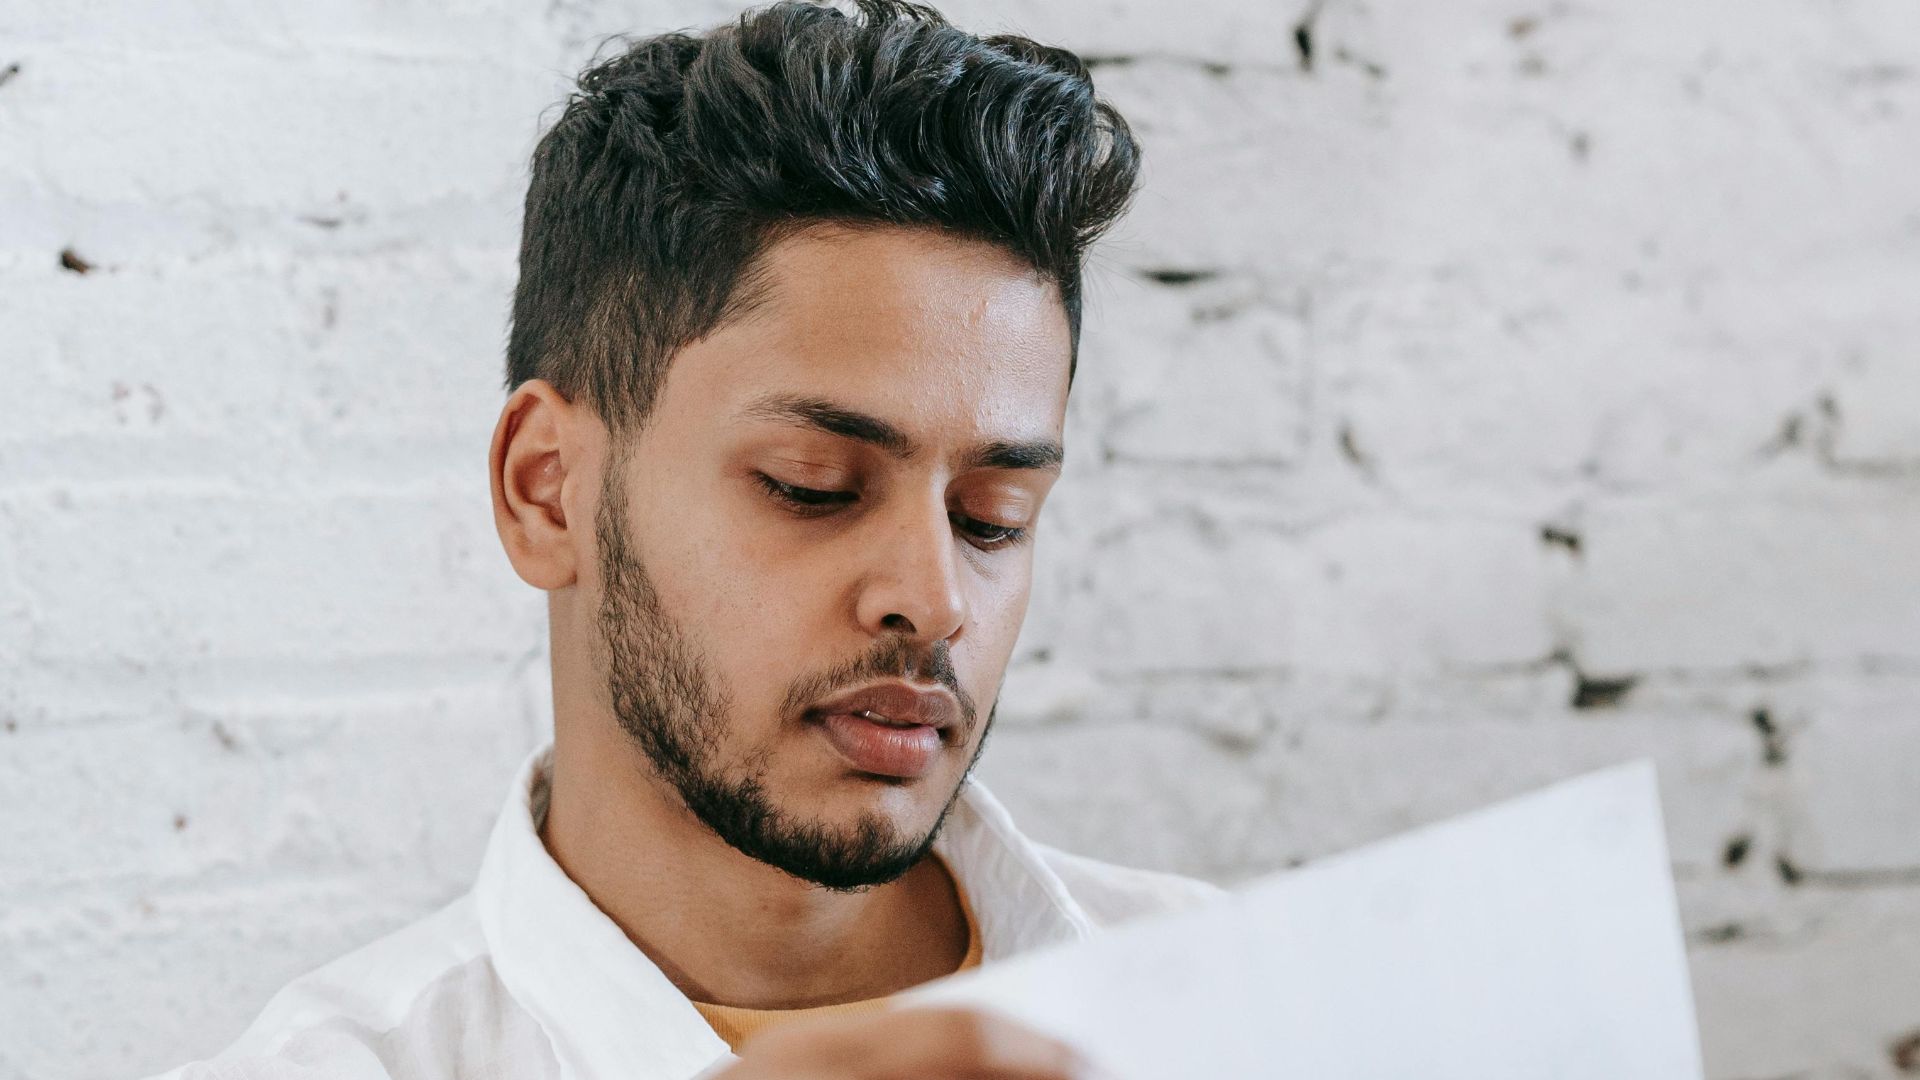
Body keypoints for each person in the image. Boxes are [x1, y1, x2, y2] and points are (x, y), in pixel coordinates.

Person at [150, 2, 1219, 1077]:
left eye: (993, 518)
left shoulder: (1250, 1001)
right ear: (548, 493)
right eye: (814, 488)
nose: (935, 599)